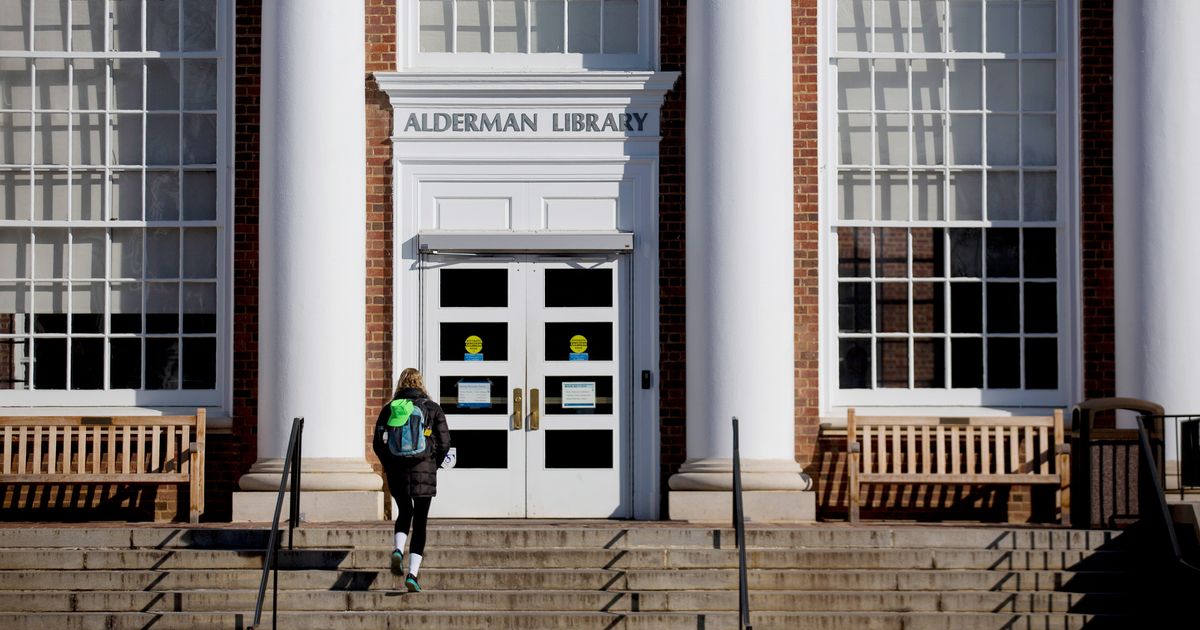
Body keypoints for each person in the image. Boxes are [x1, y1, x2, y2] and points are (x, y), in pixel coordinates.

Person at [372, 367, 451, 593]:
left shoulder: (390, 409)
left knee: (405, 512)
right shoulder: (432, 408)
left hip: (398, 471)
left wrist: (389, 464)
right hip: (424, 470)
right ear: (420, 383)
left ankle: (398, 549)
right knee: (421, 522)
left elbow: (378, 444)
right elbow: (445, 443)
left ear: (401, 384)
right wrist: (432, 464)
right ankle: (413, 575)